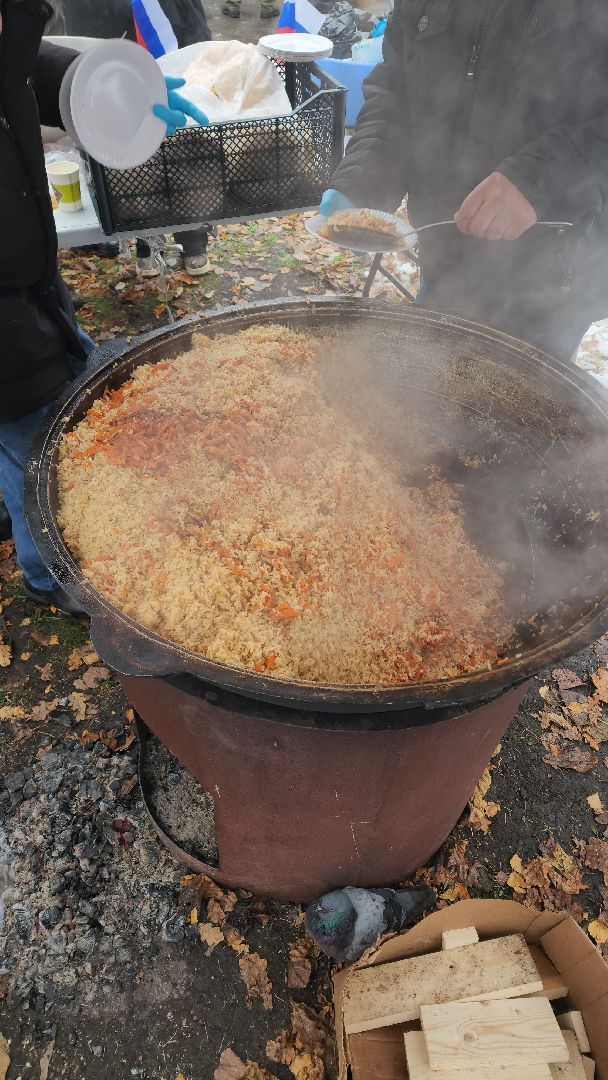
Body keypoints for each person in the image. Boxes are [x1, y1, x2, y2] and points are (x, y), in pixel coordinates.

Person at [0, 0, 208, 617]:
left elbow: (15, 65)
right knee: (37, 436)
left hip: (25, 280)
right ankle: (50, 575)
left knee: (26, 426)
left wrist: (86, 84)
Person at [320, 2, 608, 362]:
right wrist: (363, 177)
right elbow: (398, 86)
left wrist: (541, 180)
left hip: (553, 281)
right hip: (446, 260)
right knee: (424, 394)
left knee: (519, 412)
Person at [58, 0, 213, 277]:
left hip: (163, 14)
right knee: (124, 132)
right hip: (102, 20)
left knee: (181, 125)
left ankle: (192, 237)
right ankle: (147, 238)